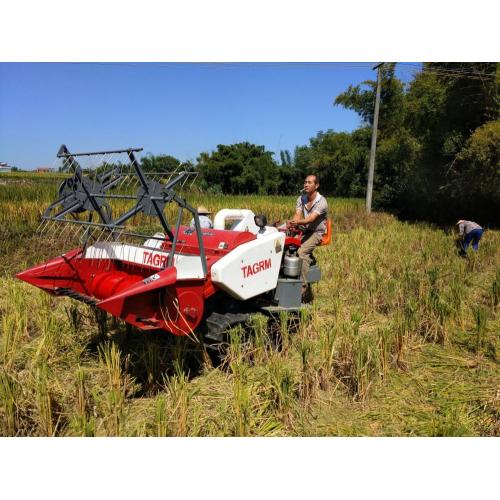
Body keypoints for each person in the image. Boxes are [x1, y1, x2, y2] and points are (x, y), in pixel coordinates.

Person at [287, 174, 328, 297]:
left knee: (301, 252)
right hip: (305, 228)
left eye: (309, 182)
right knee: (288, 245)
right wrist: (292, 224)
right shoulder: (301, 199)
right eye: (305, 182)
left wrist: (297, 222)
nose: (306, 184)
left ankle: (303, 288)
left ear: (316, 186)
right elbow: (298, 215)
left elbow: (310, 219)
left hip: (316, 232)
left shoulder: (322, 202)